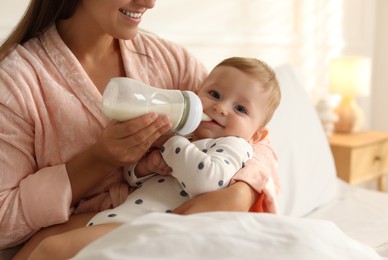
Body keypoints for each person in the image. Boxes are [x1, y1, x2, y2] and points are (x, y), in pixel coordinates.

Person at [0, 0, 279, 257]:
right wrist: (99, 159)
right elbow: (4, 224)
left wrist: (239, 194)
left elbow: (253, 139)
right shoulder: (16, 83)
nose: (149, 2)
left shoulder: (169, 61)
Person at [26, 56, 282, 259]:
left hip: (145, 226)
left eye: (240, 109)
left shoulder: (234, 145)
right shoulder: (188, 138)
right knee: (42, 241)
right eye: (214, 94)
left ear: (257, 133)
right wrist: (145, 167)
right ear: (196, 93)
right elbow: (132, 180)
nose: (221, 108)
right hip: (122, 215)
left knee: (51, 251)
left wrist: (171, 142)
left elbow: (208, 181)